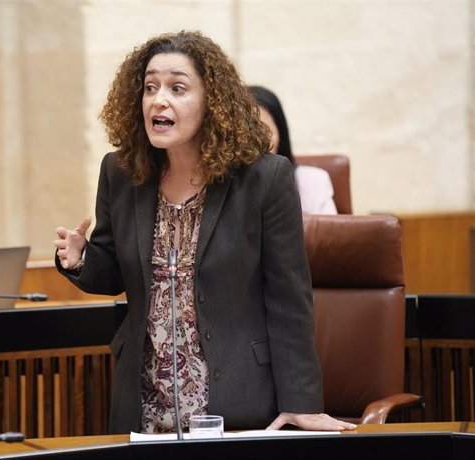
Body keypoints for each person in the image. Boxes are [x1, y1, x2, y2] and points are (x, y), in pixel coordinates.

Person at [53, 31, 355, 434]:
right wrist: (83, 257)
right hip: (144, 397)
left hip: (236, 396)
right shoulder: (121, 174)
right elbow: (115, 273)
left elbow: (289, 298)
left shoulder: (264, 179)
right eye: (150, 87)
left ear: (212, 102)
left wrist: (302, 402)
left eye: (178, 88)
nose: (159, 99)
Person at [250, 85, 338, 215]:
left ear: (280, 131)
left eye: (263, 131)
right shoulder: (226, 189)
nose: (255, 141)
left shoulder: (314, 182)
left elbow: (331, 233)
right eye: (246, 132)